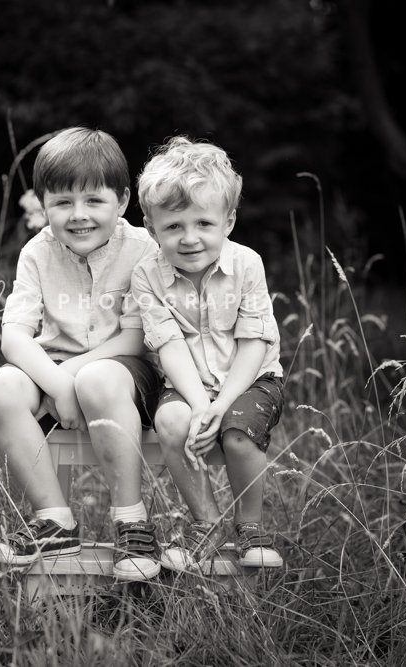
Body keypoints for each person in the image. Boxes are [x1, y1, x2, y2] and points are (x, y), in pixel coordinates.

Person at [0, 127, 162, 581]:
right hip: (53, 374)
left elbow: (137, 338)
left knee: (97, 377)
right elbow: (15, 338)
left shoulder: (143, 249)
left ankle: (132, 524)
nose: (78, 216)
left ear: (121, 202)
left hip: (123, 378)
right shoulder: (37, 253)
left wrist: (72, 378)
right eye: (62, 203)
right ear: (43, 207)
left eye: (93, 201)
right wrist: (57, 384)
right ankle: (54, 520)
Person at [131, 136, 284, 571]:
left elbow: (254, 341)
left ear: (229, 220)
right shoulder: (147, 275)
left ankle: (250, 527)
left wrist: (220, 406)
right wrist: (200, 403)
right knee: (170, 420)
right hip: (187, 383)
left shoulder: (247, 264)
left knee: (237, 431)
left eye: (203, 223)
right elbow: (168, 343)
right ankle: (207, 522)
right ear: (150, 227)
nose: (189, 238)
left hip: (251, 378)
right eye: (173, 227)